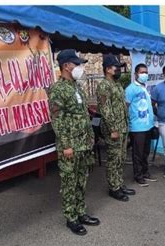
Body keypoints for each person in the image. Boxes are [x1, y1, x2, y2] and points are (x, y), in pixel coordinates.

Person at [48, 49, 100, 236]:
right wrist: (67, 145)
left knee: (81, 181)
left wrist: (90, 138)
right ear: (66, 65)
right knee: (70, 182)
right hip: (70, 146)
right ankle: (71, 217)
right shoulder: (58, 89)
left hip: (83, 143)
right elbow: (57, 119)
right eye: (76, 63)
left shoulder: (76, 86)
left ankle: (81, 212)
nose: (79, 67)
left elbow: (83, 115)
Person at [96, 54, 136, 202]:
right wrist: (113, 129)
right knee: (113, 159)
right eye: (116, 68)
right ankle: (114, 188)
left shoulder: (117, 85)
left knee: (121, 158)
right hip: (113, 129)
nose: (119, 70)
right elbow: (106, 110)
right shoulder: (103, 86)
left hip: (122, 127)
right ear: (107, 69)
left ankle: (119, 184)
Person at [125, 63, 157, 187]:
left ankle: (145, 172)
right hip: (137, 127)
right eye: (142, 72)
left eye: (146, 72)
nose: (144, 74)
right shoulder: (131, 89)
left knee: (145, 152)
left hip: (148, 126)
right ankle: (138, 176)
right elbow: (126, 106)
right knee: (137, 153)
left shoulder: (145, 87)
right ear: (136, 74)